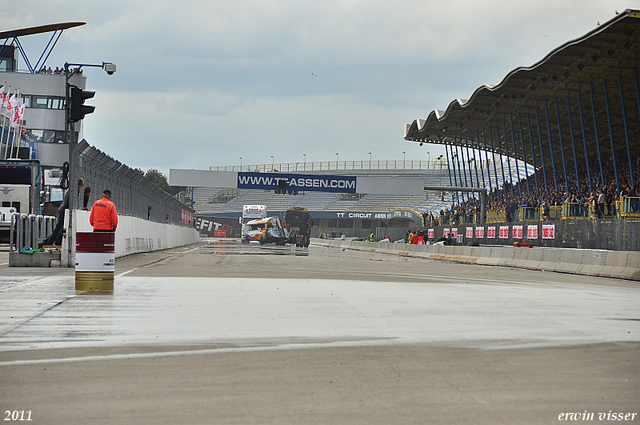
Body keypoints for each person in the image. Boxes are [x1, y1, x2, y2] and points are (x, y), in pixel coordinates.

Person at [42, 178, 84, 246]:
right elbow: (71, 203)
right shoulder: (75, 191)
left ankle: (53, 241)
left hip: (62, 209)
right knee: (59, 227)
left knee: (60, 227)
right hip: (64, 211)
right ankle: (49, 242)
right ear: (82, 185)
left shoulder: (71, 190)